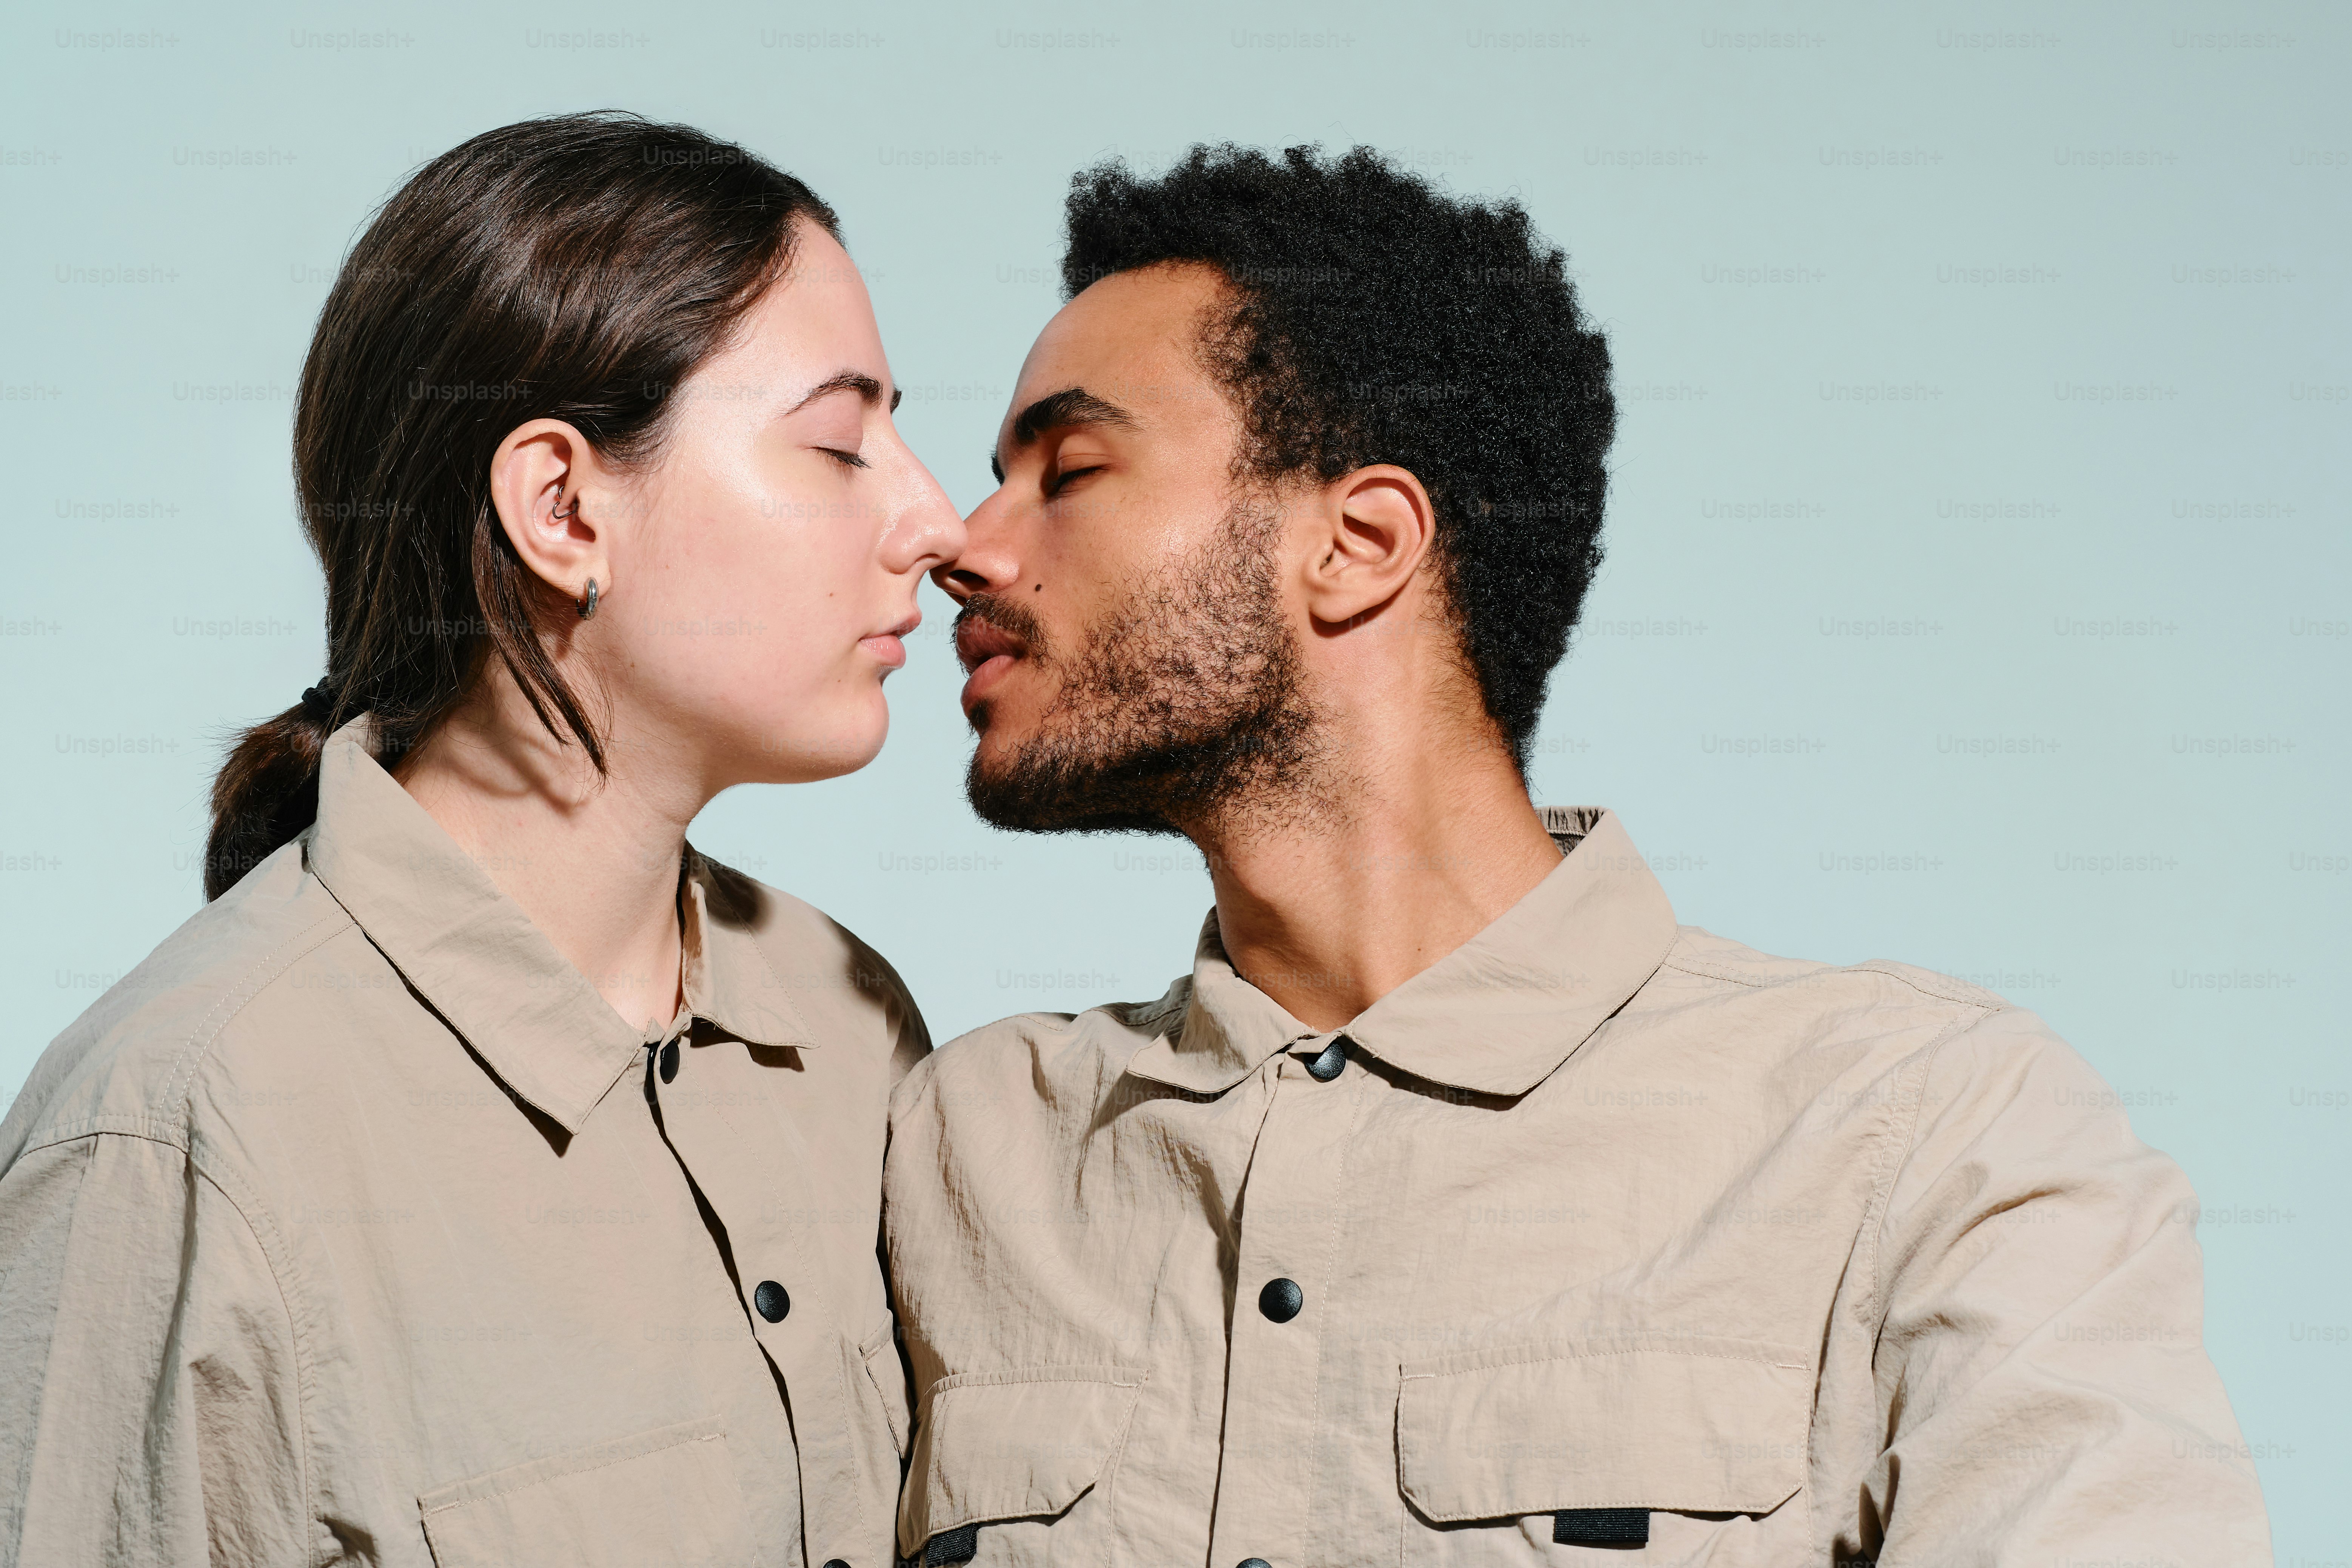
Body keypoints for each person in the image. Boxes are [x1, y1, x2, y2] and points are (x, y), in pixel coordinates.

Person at [882, 145, 2270, 1567]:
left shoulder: (1925, 1128)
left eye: (1071, 469)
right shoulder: (957, 1141)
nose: (954, 543)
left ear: (1359, 544)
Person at [0, 112, 958, 1568]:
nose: (933, 519)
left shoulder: (854, 1025)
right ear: (562, 508)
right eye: (839, 443)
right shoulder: (176, 1138)